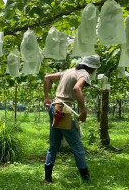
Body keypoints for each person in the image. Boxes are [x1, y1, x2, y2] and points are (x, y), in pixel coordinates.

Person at [43, 55, 101, 183]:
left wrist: (46, 97)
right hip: (63, 109)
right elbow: (76, 88)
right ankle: (86, 180)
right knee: (78, 146)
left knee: (54, 144)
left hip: (54, 107)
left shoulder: (69, 71)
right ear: (92, 68)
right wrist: (84, 111)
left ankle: (48, 178)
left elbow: (47, 77)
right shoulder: (84, 74)